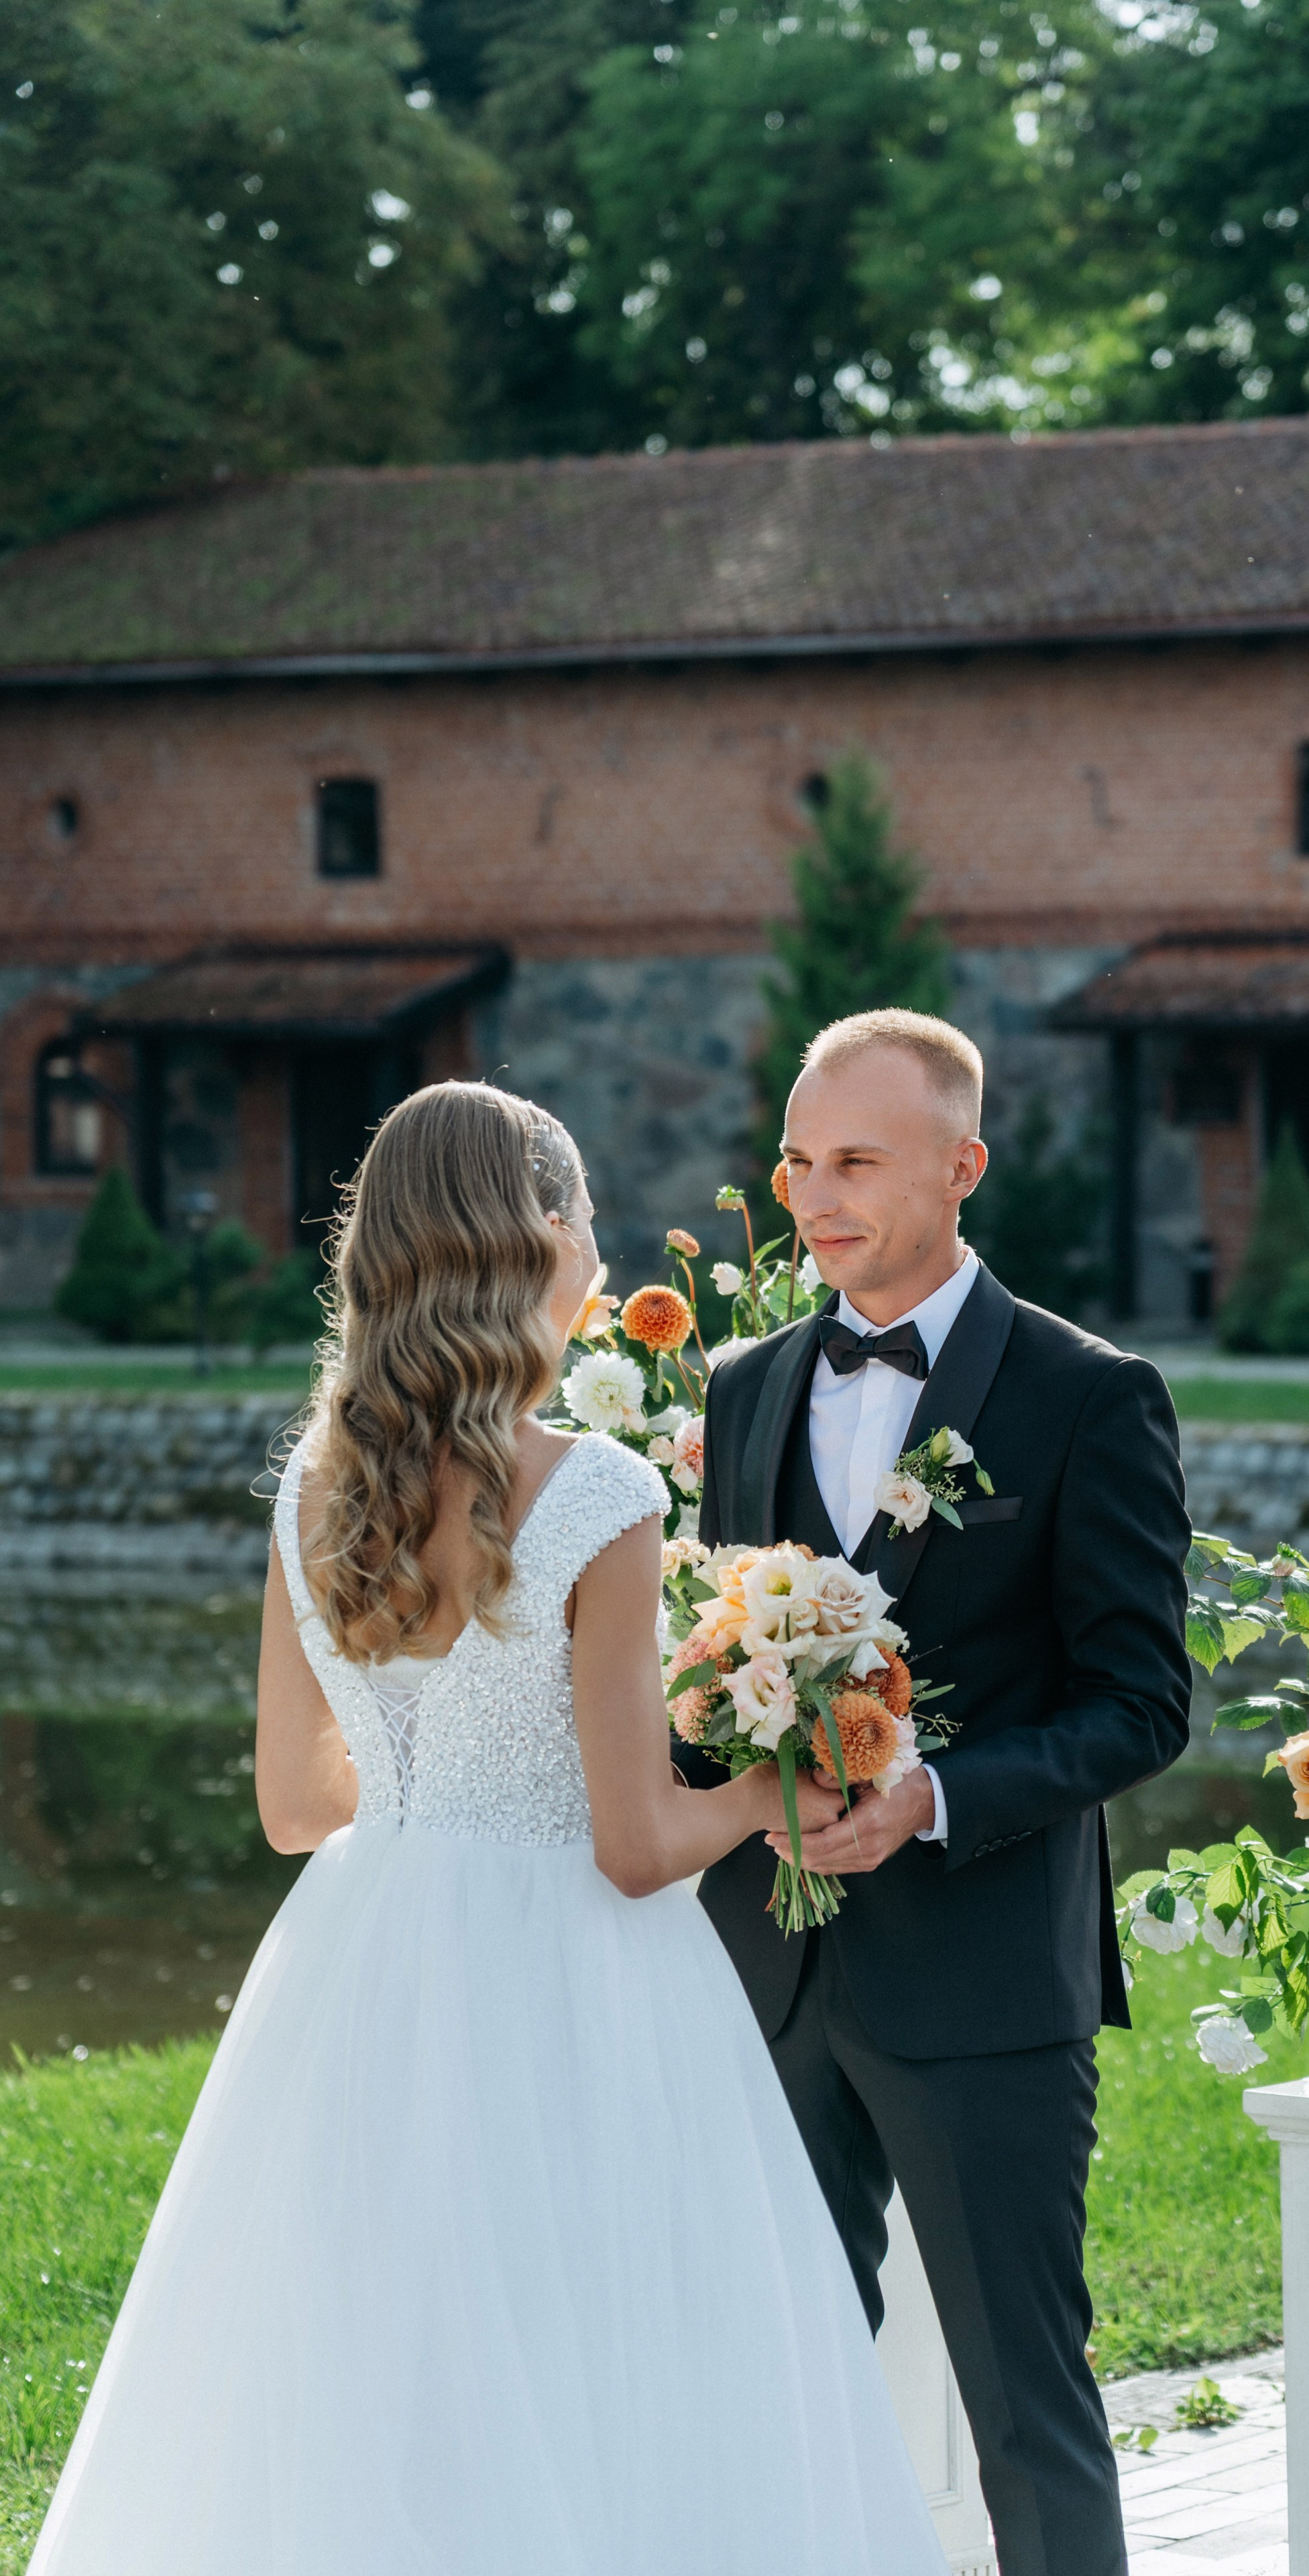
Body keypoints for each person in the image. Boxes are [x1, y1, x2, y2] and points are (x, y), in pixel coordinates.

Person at [27, 1081, 944, 2576]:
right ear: (539, 1234)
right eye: (586, 1216)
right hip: (571, 1980)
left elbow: (291, 1806)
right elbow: (634, 1847)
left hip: (357, 1963)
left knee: (373, 2359)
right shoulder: (597, 1490)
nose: (600, 1248)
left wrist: (432, 1808)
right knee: (604, 2348)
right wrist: (774, 1789)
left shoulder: (316, 1486)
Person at [687, 1009, 1193, 2576]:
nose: (811, 1195)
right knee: (771, 2390)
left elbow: (1139, 1707)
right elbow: (712, 1669)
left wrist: (931, 1799)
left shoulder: (1087, 1394)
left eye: (854, 1161)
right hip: (763, 1972)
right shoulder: (742, 1386)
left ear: (962, 1167)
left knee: (1025, 2414)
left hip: (982, 1983)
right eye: (795, 1160)